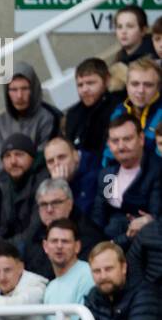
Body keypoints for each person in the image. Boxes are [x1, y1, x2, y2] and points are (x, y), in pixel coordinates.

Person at [15, 218, 95, 320]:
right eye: (54, 241)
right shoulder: (51, 287)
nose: (59, 246)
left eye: (65, 241)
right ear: (45, 246)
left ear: (77, 246)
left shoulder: (87, 275)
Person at [91, 114, 162, 246]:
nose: (121, 146)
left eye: (127, 139)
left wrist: (114, 243)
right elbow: (99, 216)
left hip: (142, 246)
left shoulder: (157, 170)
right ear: (109, 145)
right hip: (108, 245)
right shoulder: (108, 175)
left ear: (141, 139)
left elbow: (153, 217)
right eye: (115, 141)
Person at [22, 176, 104, 277]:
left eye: (55, 203)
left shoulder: (88, 235)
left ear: (70, 203)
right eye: (43, 204)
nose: (49, 210)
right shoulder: (34, 235)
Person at [64, 57, 124, 167]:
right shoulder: (73, 114)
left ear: (107, 80)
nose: (84, 89)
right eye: (80, 85)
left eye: (90, 83)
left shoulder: (119, 106)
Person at [0, 132, 49, 240]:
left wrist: (7, 248)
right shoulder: (4, 183)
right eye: (7, 156)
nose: (13, 161)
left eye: (19, 154)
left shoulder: (43, 181)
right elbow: (3, 228)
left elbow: (35, 230)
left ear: (32, 157)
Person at [107, 56, 162, 153]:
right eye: (135, 84)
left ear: (158, 87)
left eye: (148, 85)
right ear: (127, 85)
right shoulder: (118, 111)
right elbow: (108, 154)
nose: (140, 90)